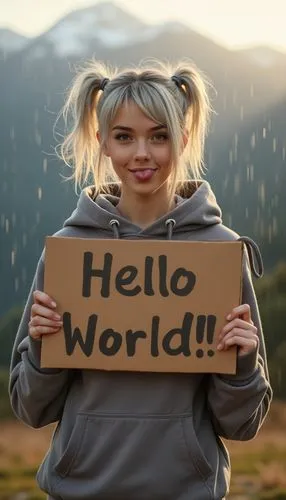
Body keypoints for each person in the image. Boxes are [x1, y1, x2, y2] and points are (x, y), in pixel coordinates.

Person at [9, 59, 272, 500]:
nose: (142, 153)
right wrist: (41, 347)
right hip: (80, 489)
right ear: (103, 142)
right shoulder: (69, 251)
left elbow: (241, 425)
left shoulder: (220, 253)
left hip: (186, 491)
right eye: (125, 137)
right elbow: (30, 408)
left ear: (183, 139)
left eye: (160, 136)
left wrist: (242, 365)